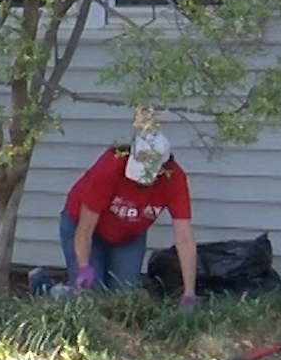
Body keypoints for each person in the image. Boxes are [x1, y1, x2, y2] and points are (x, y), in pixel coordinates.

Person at [59, 130, 198, 307]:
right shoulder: (110, 165)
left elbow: (184, 238)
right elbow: (85, 229)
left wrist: (189, 294)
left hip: (128, 236)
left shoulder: (174, 179)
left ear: (162, 169)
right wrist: (84, 268)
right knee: (91, 298)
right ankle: (51, 290)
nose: (138, 182)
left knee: (123, 300)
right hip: (83, 229)